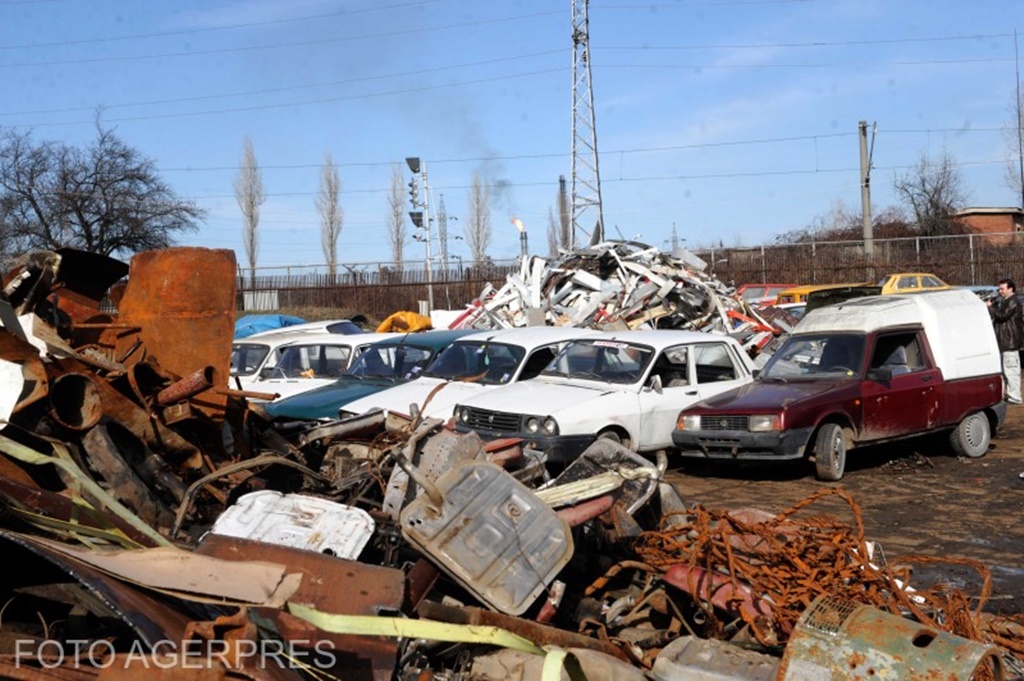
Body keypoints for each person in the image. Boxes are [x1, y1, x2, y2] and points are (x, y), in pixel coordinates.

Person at [987, 278, 1023, 404]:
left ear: (1010, 288)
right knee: (1005, 370)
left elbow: (1002, 316)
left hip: (1010, 342)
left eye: (1002, 288)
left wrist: (991, 307)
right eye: (999, 288)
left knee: (1011, 370)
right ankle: (1009, 394)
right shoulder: (1006, 302)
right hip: (1005, 342)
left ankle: (1015, 396)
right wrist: (994, 304)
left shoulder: (1013, 302)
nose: (1000, 291)